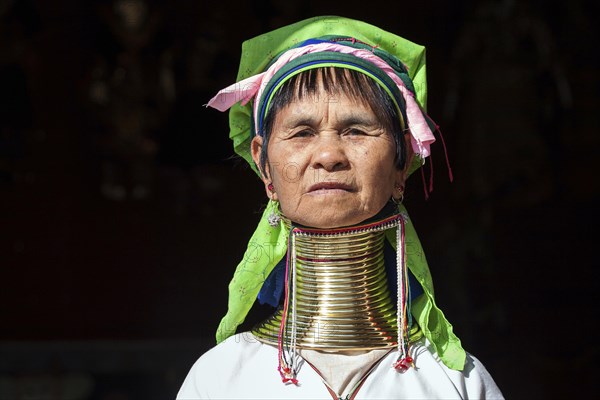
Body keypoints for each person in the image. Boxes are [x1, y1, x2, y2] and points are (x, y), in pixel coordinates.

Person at [177, 16, 504, 399]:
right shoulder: (220, 379)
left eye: (356, 130)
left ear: (402, 163)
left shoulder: (455, 380)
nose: (329, 156)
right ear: (264, 165)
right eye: (302, 133)